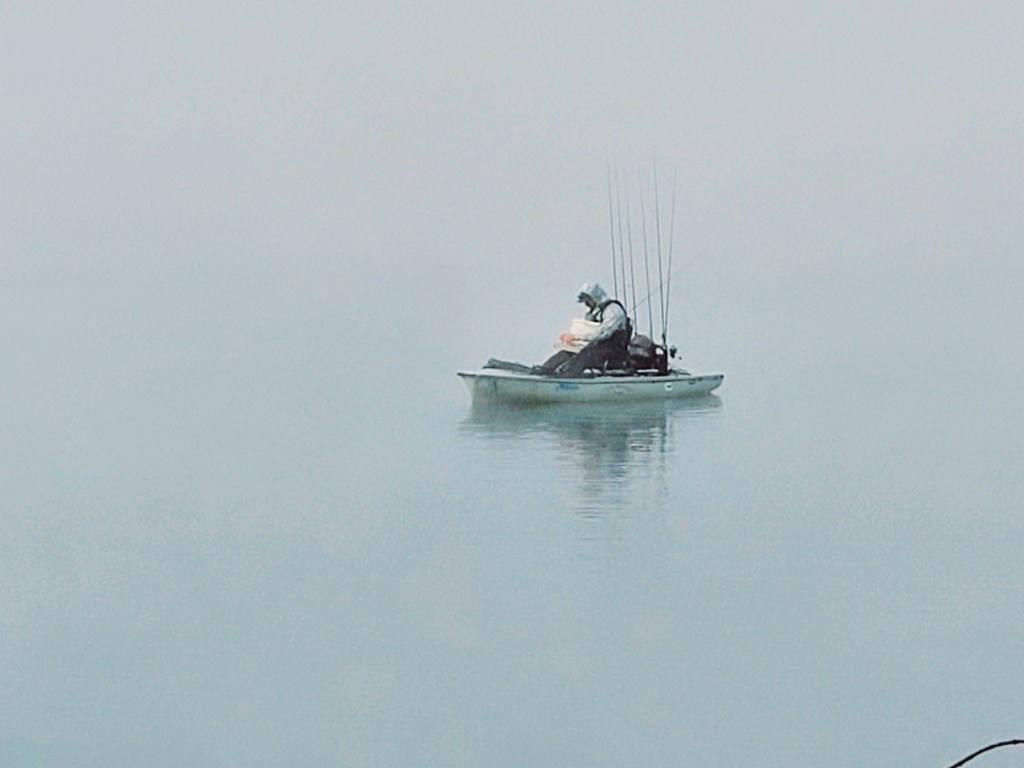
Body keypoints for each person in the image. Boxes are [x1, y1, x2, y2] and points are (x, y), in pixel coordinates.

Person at [535, 282, 632, 376]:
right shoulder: (594, 312)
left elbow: (603, 333)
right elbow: (586, 330)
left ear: (594, 298)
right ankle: (545, 370)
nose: (586, 304)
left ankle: (566, 377)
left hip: (612, 351)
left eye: (588, 300)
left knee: (585, 355)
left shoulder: (613, 310)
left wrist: (576, 337)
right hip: (594, 347)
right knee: (567, 353)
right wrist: (571, 339)